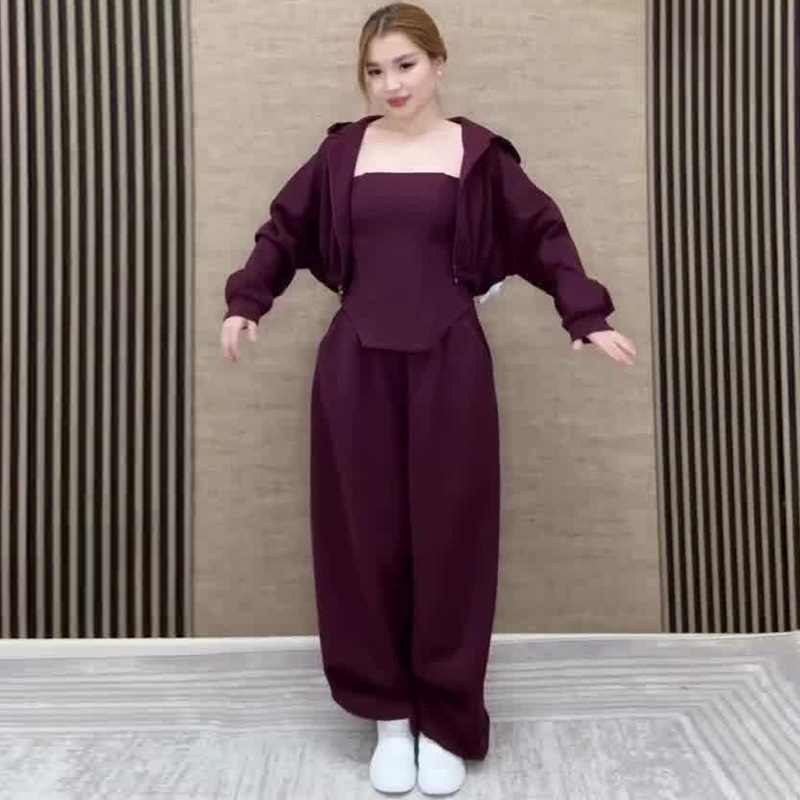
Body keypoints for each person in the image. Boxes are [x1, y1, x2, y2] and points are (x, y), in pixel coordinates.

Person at [221, 3, 636, 795]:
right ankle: (388, 715)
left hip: (451, 365)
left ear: (439, 63)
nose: (391, 84)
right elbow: (282, 231)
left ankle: (445, 718)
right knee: (362, 538)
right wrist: (248, 301)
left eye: (405, 64)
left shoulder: (479, 156)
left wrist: (584, 314)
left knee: (452, 539)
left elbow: (543, 234)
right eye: (374, 70)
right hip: (355, 368)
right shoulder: (341, 152)